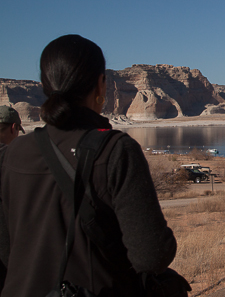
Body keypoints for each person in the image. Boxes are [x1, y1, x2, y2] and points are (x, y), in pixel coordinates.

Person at [0, 35, 177, 296]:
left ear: (45, 85)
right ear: (101, 85)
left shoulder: (14, 152)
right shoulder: (115, 150)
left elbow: (6, 248)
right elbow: (152, 256)